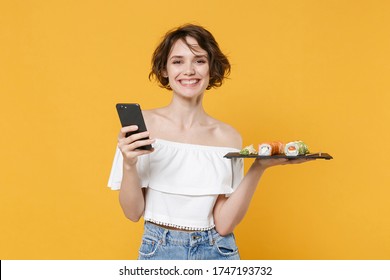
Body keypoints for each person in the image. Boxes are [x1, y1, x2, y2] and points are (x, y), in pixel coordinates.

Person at [108, 24, 311, 260]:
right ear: (164, 69)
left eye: (199, 61)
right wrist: (129, 164)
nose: (189, 70)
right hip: (158, 250)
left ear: (211, 69)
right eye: (177, 61)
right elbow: (132, 213)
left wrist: (259, 166)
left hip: (217, 251)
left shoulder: (228, 137)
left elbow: (224, 225)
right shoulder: (142, 125)